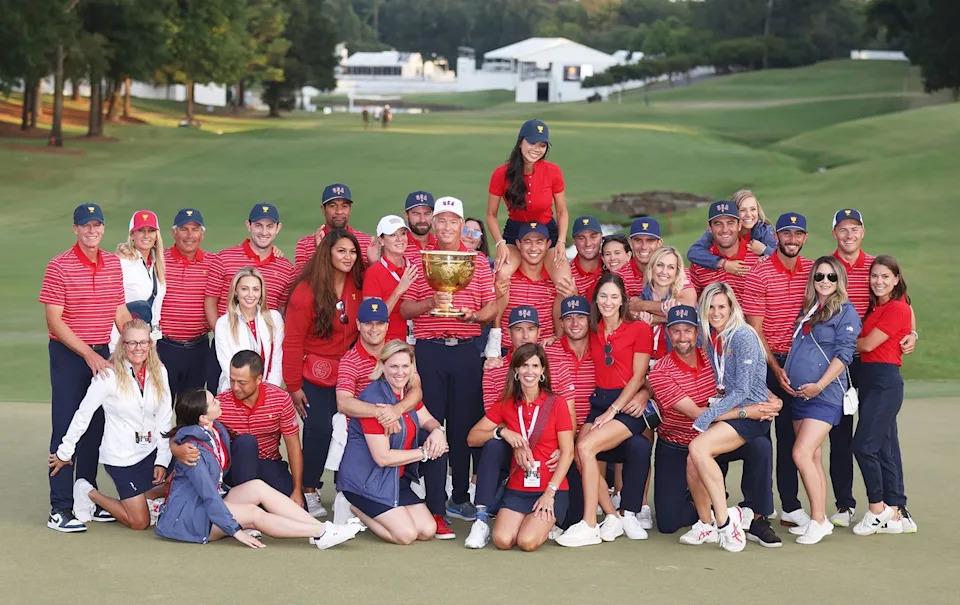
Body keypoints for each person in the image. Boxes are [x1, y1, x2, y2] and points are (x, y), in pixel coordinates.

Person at [400, 196, 498, 537]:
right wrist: (431, 302)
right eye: (439, 220)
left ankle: (459, 497)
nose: (444, 227)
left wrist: (475, 316)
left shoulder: (478, 262)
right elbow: (405, 310)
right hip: (430, 351)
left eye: (451, 221)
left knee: (461, 428)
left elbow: (490, 308)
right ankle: (435, 504)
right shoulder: (419, 259)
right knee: (432, 426)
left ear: (461, 225)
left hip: (466, 351)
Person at [156, 389, 361, 549]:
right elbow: (208, 495)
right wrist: (236, 531)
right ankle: (321, 532)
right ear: (202, 417)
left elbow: (179, 433)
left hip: (209, 502)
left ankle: (322, 531)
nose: (218, 400)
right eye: (213, 402)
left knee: (257, 486)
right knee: (253, 514)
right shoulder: (192, 450)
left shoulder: (215, 428)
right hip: (190, 518)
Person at [648, 305, 780, 551]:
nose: (682, 337)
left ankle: (757, 517)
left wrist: (771, 398)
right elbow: (700, 416)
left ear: (697, 332)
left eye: (687, 330)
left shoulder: (713, 357)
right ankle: (733, 511)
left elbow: (745, 383)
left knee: (760, 443)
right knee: (668, 522)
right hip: (677, 443)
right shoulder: (661, 372)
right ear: (668, 334)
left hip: (716, 439)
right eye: (676, 331)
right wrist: (746, 411)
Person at [40, 203, 131, 532]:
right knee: (66, 427)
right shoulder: (59, 266)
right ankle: (60, 507)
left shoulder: (112, 263)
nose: (92, 231)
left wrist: (132, 342)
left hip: (102, 353)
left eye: (97, 225)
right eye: (85, 225)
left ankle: (86, 496)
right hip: (69, 355)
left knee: (95, 427)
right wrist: (88, 354)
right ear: (75, 229)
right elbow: (54, 319)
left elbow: (119, 312)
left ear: (103, 228)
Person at [828, 208, 917, 530]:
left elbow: (904, 308)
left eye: (854, 228)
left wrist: (912, 333)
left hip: (872, 364)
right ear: (834, 233)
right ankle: (844, 504)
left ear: (862, 232)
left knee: (881, 440)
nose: (849, 234)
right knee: (840, 436)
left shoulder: (875, 265)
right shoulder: (826, 267)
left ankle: (896, 506)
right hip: (844, 368)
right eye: (842, 229)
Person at [464, 305, 579, 548]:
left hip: (548, 485)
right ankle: (485, 520)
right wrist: (503, 432)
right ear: (516, 371)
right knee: (503, 540)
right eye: (524, 366)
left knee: (526, 541)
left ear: (543, 371)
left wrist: (550, 492)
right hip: (518, 484)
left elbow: (568, 450)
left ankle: (543, 521)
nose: (529, 371)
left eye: (535, 366)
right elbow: (473, 437)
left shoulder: (555, 402)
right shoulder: (506, 402)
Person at [557, 273, 654, 547]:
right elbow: (566, 327)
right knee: (580, 450)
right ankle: (611, 516)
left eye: (614, 296)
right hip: (598, 402)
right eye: (602, 296)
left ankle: (589, 524)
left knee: (586, 448)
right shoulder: (594, 328)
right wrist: (550, 341)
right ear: (595, 300)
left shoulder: (639, 329)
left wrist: (614, 409)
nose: (608, 302)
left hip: (626, 407)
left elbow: (638, 377)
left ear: (623, 299)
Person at [48, 319, 172, 531]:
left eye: (143, 343)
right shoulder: (108, 375)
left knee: (185, 472)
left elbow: (165, 418)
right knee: (139, 522)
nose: (138, 348)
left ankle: (143, 498)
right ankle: (88, 492)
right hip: (122, 457)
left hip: (149, 450)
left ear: (151, 344)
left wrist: (162, 460)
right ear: (122, 345)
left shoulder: (159, 372)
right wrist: (64, 451)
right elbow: (82, 415)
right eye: (131, 343)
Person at [684, 285, 782, 549]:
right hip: (733, 413)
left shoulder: (743, 336)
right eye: (711, 307)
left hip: (752, 415)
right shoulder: (712, 337)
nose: (716, 312)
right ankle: (708, 525)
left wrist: (709, 416)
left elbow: (743, 390)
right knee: (694, 459)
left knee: (698, 447)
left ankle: (727, 523)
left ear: (732, 308)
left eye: (721, 307)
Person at [283, 228, 363, 518]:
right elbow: (292, 340)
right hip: (315, 371)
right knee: (320, 430)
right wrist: (293, 384)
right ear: (327, 252)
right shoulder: (306, 290)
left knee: (353, 430)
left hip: (351, 370)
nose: (348, 257)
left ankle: (348, 490)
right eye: (341, 251)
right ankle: (308, 489)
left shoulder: (359, 286)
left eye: (352, 251)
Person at [337, 341, 449, 544]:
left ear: (412, 368)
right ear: (382, 367)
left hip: (394, 481)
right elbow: (383, 458)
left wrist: (438, 431)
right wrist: (425, 453)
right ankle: (355, 509)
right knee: (405, 535)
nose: (400, 372)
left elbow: (427, 419)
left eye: (405, 366)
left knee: (427, 529)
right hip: (366, 482)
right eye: (394, 366)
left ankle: (389, 512)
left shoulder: (406, 395)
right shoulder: (374, 400)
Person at [782, 256, 860, 544]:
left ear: (840, 281)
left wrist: (819, 385)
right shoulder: (810, 309)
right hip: (800, 394)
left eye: (831, 277)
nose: (824, 281)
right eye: (819, 276)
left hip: (825, 394)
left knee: (800, 454)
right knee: (812, 457)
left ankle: (818, 521)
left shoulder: (846, 312)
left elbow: (844, 355)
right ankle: (819, 515)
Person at [742, 212, 813, 528]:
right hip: (763, 364)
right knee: (758, 437)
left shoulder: (813, 271)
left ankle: (790, 505)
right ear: (777, 236)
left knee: (788, 437)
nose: (792, 240)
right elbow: (755, 329)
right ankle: (756, 504)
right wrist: (775, 366)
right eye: (787, 234)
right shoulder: (759, 273)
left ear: (805, 238)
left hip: (799, 364)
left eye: (798, 234)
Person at [334, 298, 423, 523]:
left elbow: (417, 390)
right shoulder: (350, 360)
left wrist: (396, 410)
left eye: (379, 323)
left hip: (395, 420)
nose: (374, 329)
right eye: (368, 323)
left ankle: (432, 502)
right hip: (364, 428)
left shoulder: (398, 352)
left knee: (432, 433)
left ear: (387, 325)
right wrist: (381, 413)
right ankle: (359, 502)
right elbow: (344, 403)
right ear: (358, 325)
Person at [852, 255, 913, 536]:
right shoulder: (874, 308)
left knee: (863, 446)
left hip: (885, 381)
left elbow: (867, 344)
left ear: (897, 279)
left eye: (885, 277)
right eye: (874, 276)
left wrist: (837, 337)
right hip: (869, 381)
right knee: (885, 446)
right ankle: (895, 511)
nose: (878, 282)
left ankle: (878, 510)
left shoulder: (898, 308)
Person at [204, 203, 295, 389]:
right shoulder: (224, 258)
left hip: (265, 350)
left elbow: (282, 308)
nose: (264, 232)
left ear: (278, 228)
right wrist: (228, 335)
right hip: (227, 349)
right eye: (258, 225)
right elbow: (210, 302)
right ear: (248, 225)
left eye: (270, 226)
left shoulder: (285, 267)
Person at [486, 119, 574, 306]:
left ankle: (560, 334)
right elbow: (491, 215)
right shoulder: (501, 173)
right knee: (501, 276)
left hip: (548, 231)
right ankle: (496, 332)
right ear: (520, 142)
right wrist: (500, 243)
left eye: (542, 145)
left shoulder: (554, 171)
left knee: (565, 283)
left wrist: (561, 241)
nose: (537, 149)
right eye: (532, 143)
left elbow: (562, 211)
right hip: (515, 232)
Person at [208, 351, 303, 503]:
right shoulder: (220, 404)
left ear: (259, 379)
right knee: (246, 442)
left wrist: (297, 490)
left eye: (242, 382)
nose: (235, 387)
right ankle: (246, 506)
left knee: (297, 509)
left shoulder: (281, 400)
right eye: (232, 381)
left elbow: (293, 447)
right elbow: (193, 432)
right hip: (238, 468)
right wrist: (178, 448)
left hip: (269, 463)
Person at [158, 208, 217, 402]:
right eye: (184, 229)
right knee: (158, 408)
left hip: (198, 350)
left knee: (191, 410)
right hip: (163, 347)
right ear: (174, 232)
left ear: (203, 233)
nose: (190, 235)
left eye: (195, 229)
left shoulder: (214, 262)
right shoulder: (159, 260)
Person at [495, 222, 563, 352]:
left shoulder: (554, 279)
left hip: (544, 351)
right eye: (527, 242)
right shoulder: (507, 277)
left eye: (539, 242)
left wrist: (557, 338)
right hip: (508, 351)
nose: (533, 248)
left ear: (548, 244)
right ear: (519, 244)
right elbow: (492, 314)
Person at [213, 267, 284, 394]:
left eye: (256, 289)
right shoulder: (223, 323)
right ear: (236, 291)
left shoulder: (274, 318)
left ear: (261, 292)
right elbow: (227, 364)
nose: (251, 295)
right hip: (234, 390)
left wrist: (271, 391)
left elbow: (277, 359)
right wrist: (247, 391)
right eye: (244, 289)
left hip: (268, 391)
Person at [111, 210, 166, 350]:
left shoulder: (156, 263)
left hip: (148, 340)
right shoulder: (121, 263)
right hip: (122, 340)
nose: (146, 235)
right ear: (132, 234)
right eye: (141, 230)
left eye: (151, 230)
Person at [687, 201, 763, 301]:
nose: (725, 230)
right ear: (709, 228)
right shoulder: (699, 263)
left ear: (739, 225)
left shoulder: (758, 259)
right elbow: (690, 302)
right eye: (718, 224)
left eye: (730, 223)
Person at [687, 189, 775, 271]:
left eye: (753, 209)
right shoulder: (720, 232)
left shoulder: (763, 230)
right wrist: (723, 263)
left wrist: (764, 250)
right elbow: (694, 252)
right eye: (742, 210)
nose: (749, 214)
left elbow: (783, 258)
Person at [294, 184, 376, 272]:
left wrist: (373, 263)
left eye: (344, 206)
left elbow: (371, 281)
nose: (339, 211)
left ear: (350, 209)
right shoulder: (305, 245)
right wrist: (320, 252)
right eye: (333, 206)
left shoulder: (366, 243)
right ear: (323, 209)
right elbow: (300, 281)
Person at [363, 215, 419, 343]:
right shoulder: (374, 273)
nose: (400, 239)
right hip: (390, 345)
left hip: (419, 343)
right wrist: (399, 290)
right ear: (381, 240)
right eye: (393, 235)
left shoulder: (416, 267)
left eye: (403, 234)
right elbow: (373, 319)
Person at [637, 246, 694, 360]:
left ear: (677, 272)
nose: (664, 272)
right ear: (652, 267)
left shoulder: (681, 304)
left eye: (671, 267)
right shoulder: (641, 297)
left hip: (674, 369)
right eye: (660, 265)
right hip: (645, 368)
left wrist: (667, 320)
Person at [570, 216, 605, 303]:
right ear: (574, 240)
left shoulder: (611, 264)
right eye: (581, 238)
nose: (588, 244)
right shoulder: (567, 274)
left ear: (601, 237)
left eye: (593, 237)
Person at [402, 191, 437, 266]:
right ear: (406, 215)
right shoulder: (397, 246)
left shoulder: (441, 244)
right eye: (416, 214)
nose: (422, 220)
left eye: (427, 214)